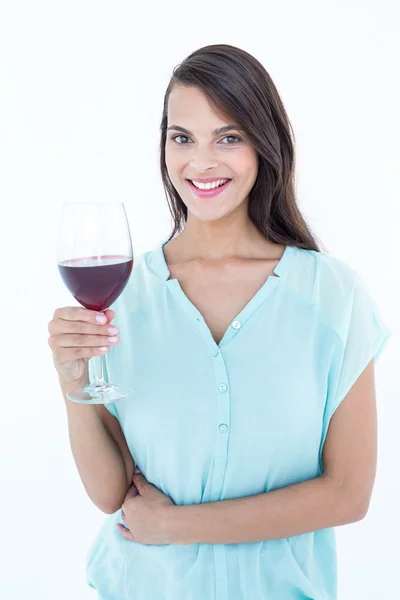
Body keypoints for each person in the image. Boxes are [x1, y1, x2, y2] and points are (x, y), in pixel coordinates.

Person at [48, 44, 392, 600]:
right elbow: (111, 492)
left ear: (264, 144)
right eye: (182, 137)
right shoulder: (122, 297)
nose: (200, 162)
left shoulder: (333, 296)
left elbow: (348, 493)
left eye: (228, 137)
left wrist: (176, 526)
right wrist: (73, 384)